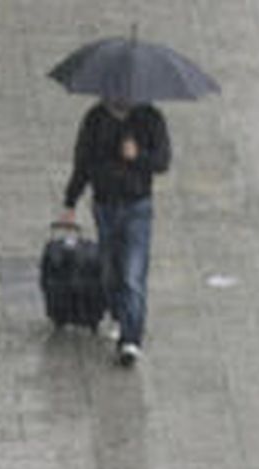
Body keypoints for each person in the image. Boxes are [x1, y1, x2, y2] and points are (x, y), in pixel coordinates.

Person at [59, 97, 171, 366]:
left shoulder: (150, 118)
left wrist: (137, 156)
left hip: (137, 206)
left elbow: (162, 161)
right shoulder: (95, 119)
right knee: (110, 269)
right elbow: (83, 162)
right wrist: (71, 201)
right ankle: (119, 313)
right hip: (105, 206)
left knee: (133, 273)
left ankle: (131, 339)